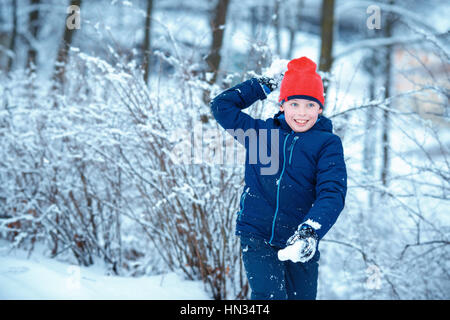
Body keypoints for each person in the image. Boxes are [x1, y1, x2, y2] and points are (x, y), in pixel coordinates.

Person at [210, 56, 347, 300]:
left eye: (310, 105)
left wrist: (310, 231)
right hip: (257, 233)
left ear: (320, 108)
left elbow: (332, 193)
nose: (302, 113)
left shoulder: (328, 145)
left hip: (300, 239)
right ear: (282, 105)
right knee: (269, 296)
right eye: (294, 104)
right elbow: (221, 106)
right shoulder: (261, 134)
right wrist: (263, 85)